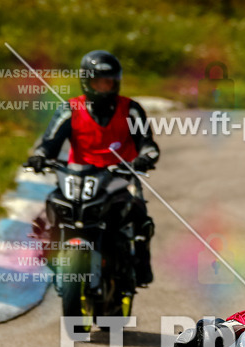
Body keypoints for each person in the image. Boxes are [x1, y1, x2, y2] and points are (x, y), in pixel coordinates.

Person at [25, 50, 161, 285]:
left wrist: (144, 158)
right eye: (98, 82)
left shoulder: (131, 110)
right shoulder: (70, 109)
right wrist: (40, 157)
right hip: (78, 177)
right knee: (48, 213)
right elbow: (49, 143)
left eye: (109, 82)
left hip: (121, 178)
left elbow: (148, 144)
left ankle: (141, 263)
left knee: (139, 214)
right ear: (86, 82)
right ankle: (50, 255)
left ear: (117, 83)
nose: (104, 88)